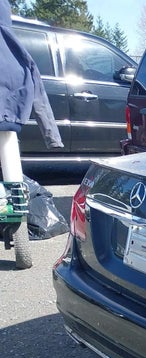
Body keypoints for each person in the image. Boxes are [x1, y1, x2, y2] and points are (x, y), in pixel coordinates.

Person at [1, 0, 62, 268]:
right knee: (10, 158)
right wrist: (52, 136)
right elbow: (38, 92)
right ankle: (15, 210)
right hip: (6, 122)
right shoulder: (16, 50)